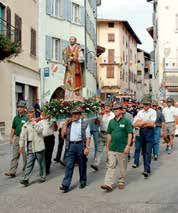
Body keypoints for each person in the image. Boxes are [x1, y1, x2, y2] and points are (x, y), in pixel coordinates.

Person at [101, 104, 133, 191]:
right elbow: (109, 134)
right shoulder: (111, 122)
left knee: (122, 167)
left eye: (117, 109)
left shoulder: (126, 121)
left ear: (121, 110)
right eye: (114, 109)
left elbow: (130, 133)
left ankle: (121, 180)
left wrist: (128, 146)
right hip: (112, 147)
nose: (115, 110)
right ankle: (108, 184)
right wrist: (107, 147)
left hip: (122, 148)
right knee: (110, 165)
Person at [59, 108, 91, 193]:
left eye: (76, 114)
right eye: (73, 114)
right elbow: (62, 135)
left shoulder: (84, 123)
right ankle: (65, 184)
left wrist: (87, 148)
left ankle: (83, 181)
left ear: (80, 115)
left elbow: (88, 137)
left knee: (82, 164)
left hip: (81, 145)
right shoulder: (69, 124)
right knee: (69, 165)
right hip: (70, 146)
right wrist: (65, 123)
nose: (74, 115)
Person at [19, 107, 46, 187]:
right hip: (30, 145)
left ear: (33, 113)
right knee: (29, 163)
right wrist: (21, 146)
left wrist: (34, 123)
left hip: (38, 144)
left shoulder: (39, 122)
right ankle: (25, 179)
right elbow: (22, 137)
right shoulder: (25, 125)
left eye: (31, 113)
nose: (29, 114)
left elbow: (40, 130)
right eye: (28, 113)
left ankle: (42, 176)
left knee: (41, 162)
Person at [133, 98, 157, 178]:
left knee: (148, 152)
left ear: (149, 105)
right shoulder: (140, 112)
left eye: (147, 104)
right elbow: (135, 124)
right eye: (144, 104)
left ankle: (146, 169)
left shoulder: (153, 112)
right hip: (141, 132)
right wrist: (146, 122)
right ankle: (146, 168)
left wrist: (142, 123)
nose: (145, 106)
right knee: (143, 152)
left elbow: (152, 124)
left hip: (149, 132)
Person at [4, 101, 27, 178]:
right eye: (18, 107)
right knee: (15, 155)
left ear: (24, 108)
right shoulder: (16, 118)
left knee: (25, 156)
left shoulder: (26, 117)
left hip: (24, 139)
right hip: (17, 138)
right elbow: (13, 128)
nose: (19, 108)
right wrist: (11, 138)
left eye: (21, 107)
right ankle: (12, 171)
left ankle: (25, 172)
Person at [90, 103, 115, 171]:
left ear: (110, 107)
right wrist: (100, 115)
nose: (106, 107)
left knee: (109, 150)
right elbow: (97, 123)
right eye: (105, 106)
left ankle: (109, 164)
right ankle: (96, 164)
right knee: (99, 149)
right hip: (102, 133)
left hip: (110, 133)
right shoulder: (101, 114)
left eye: (108, 106)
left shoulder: (113, 115)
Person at [63, 36, 84, 100]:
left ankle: (76, 98)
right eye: (70, 39)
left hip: (76, 69)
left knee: (76, 84)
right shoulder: (66, 49)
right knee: (68, 83)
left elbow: (82, 59)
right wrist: (65, 62)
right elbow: (64, 58)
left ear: (75, 40)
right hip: (69, 69)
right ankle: (68, 98)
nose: (71, 40)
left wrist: (74, 59)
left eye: (73, 39)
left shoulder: (78, 48)